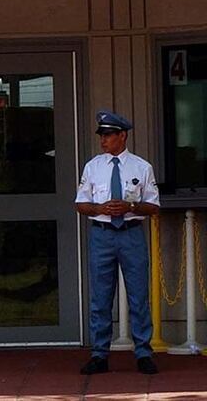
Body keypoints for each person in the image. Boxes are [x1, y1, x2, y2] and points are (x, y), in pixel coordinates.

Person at [74, 111, 160, 375]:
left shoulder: (141, 167)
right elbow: (80, 203)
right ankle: (100, 354)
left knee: (138, 295)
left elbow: (153, 206)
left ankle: (143, 352)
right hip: (102, 233)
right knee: (100, 297)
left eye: (108, 135)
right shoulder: (93, 166)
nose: (104, 140)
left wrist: (130, 205)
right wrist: (100, 207)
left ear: (122, 136)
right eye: (102, 136)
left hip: (131, 233)